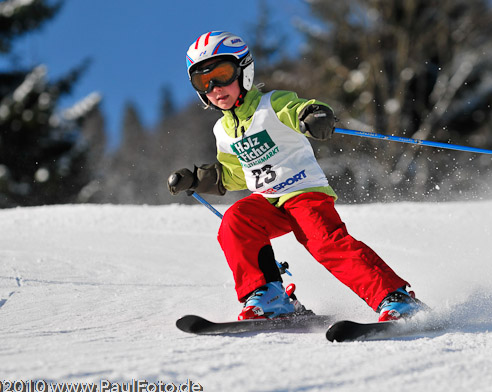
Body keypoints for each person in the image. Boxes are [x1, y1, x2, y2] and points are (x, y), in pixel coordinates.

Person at [168, 31, 423, 321]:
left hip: (303, 192)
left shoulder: (272, 104)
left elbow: (297, 108)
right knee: (236, 220)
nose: (215, 87)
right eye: (204, 81)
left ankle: (395, 298)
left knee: (324, 241)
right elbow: (236, 175)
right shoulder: (222, 131)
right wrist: (196, 179)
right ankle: (271, 297)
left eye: (223, 74)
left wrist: (313, 115)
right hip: (268, 202)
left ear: (244, 71)